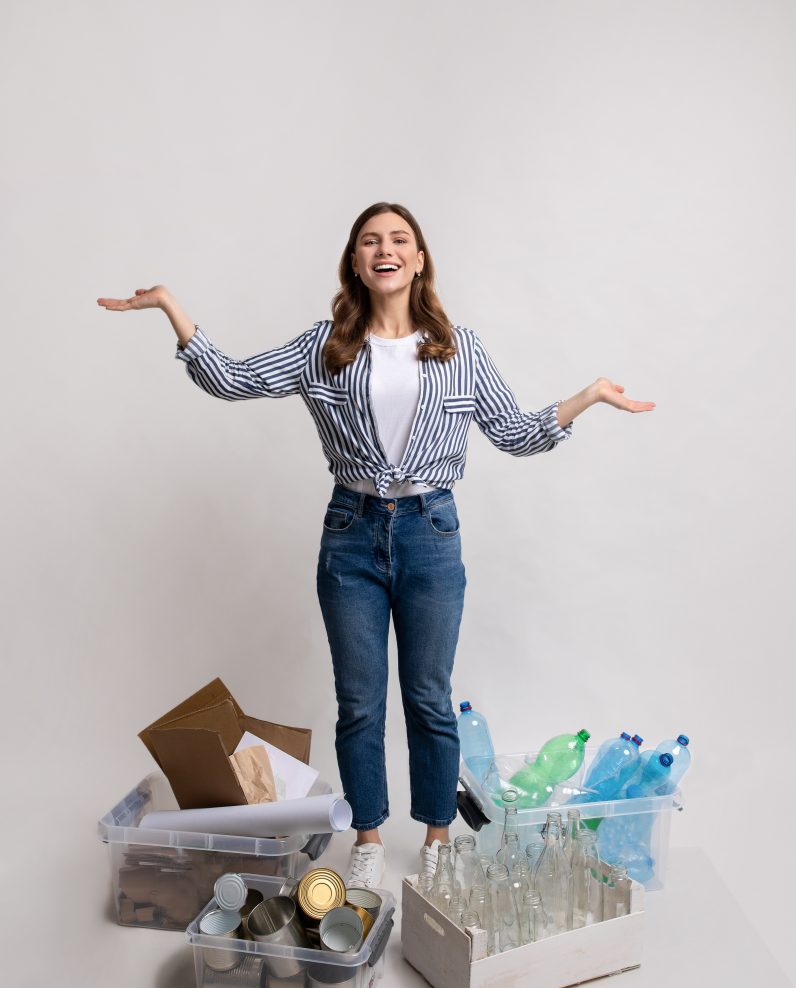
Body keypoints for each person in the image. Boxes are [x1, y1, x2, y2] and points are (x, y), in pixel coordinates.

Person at [97, 201, 655, 888]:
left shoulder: (462, 349)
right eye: (370, 241)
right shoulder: (323, 346)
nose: (384, 249)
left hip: (431, 534)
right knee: (359, 701)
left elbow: (515, 433)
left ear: (419, 259)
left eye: (399, 239)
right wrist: (169, 308)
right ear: (356, 263)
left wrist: (588, 397)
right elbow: (231, 379)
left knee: (428, 696)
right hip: (351, 535)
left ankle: (436, 836)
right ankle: (366, 835)